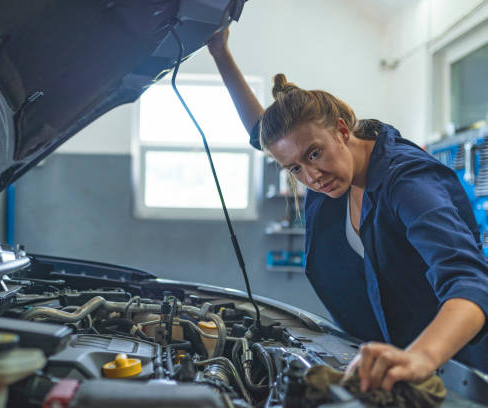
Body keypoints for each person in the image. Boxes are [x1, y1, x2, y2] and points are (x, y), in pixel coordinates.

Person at [208, 28, 488, 392]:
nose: (311, 176)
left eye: (314, 153)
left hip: (453, 369)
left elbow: (470, 281)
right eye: (294, 168)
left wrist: (421, 357)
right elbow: (261, 130)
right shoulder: (328, 169)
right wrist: (220, 53)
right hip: (389, 359)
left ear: (342, 129)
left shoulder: (407, 183)